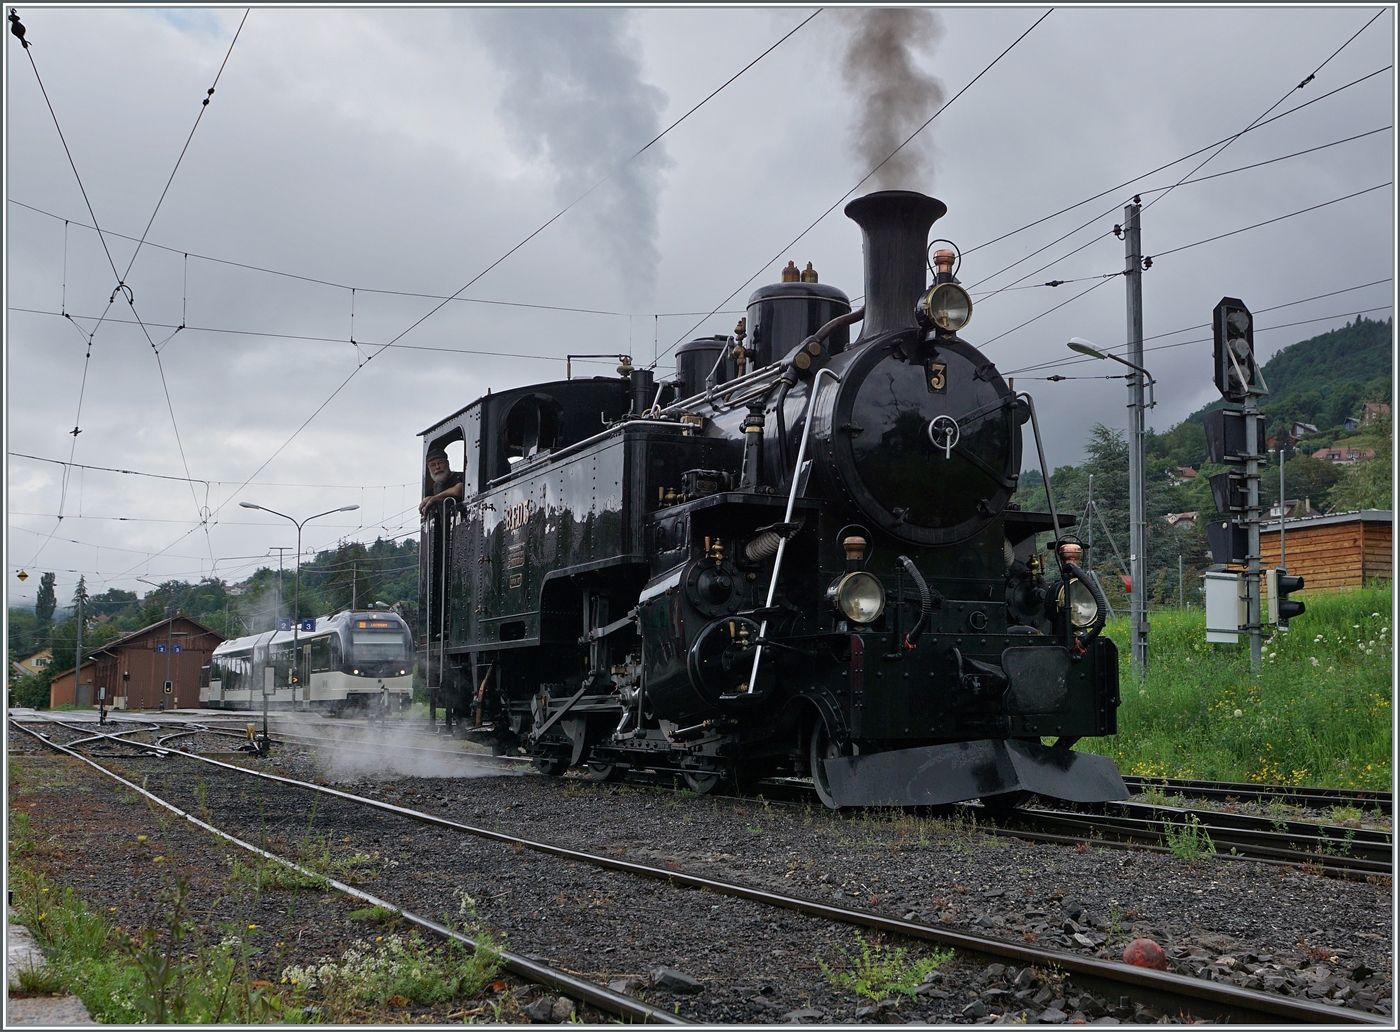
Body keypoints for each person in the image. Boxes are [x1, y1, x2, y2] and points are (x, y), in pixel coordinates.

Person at [419, 447, 466, 514]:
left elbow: (458, 490)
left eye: (440, 462)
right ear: (429, 468)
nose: (437, 467)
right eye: (433, 465)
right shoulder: (436, 486)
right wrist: (430, 499)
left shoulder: (461, 476)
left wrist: (434, 499)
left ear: (447, 463)